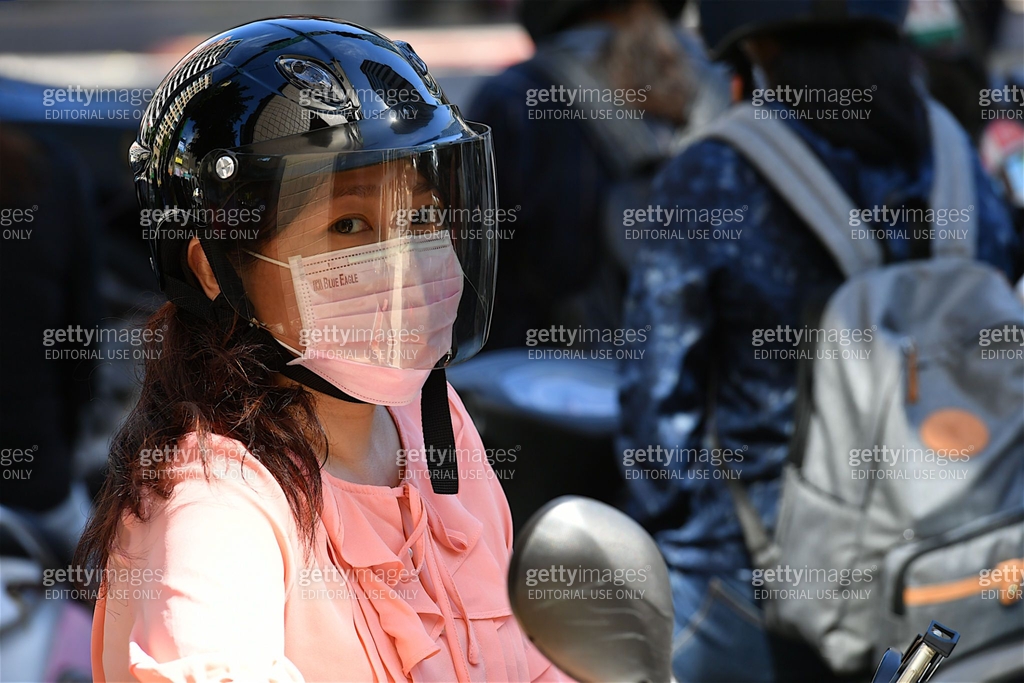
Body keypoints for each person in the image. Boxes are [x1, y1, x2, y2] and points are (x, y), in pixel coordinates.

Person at [76, 17, 567, 682]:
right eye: (348, 224)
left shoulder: (429, 419)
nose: (406, 262)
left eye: (423, 217)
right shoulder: (217, 510)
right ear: (215, 268)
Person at [616, 1, 1022, 681]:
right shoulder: (956, 152)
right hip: (979, 552)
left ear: (750, 41)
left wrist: (699, 548)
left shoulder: (715, 173)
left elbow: (659, 404)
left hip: (783, 585)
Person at [468, 0, 728, 348]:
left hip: (549, 381)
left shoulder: (514, 96)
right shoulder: (720, 81)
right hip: (695, 367)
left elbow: (474, 274)